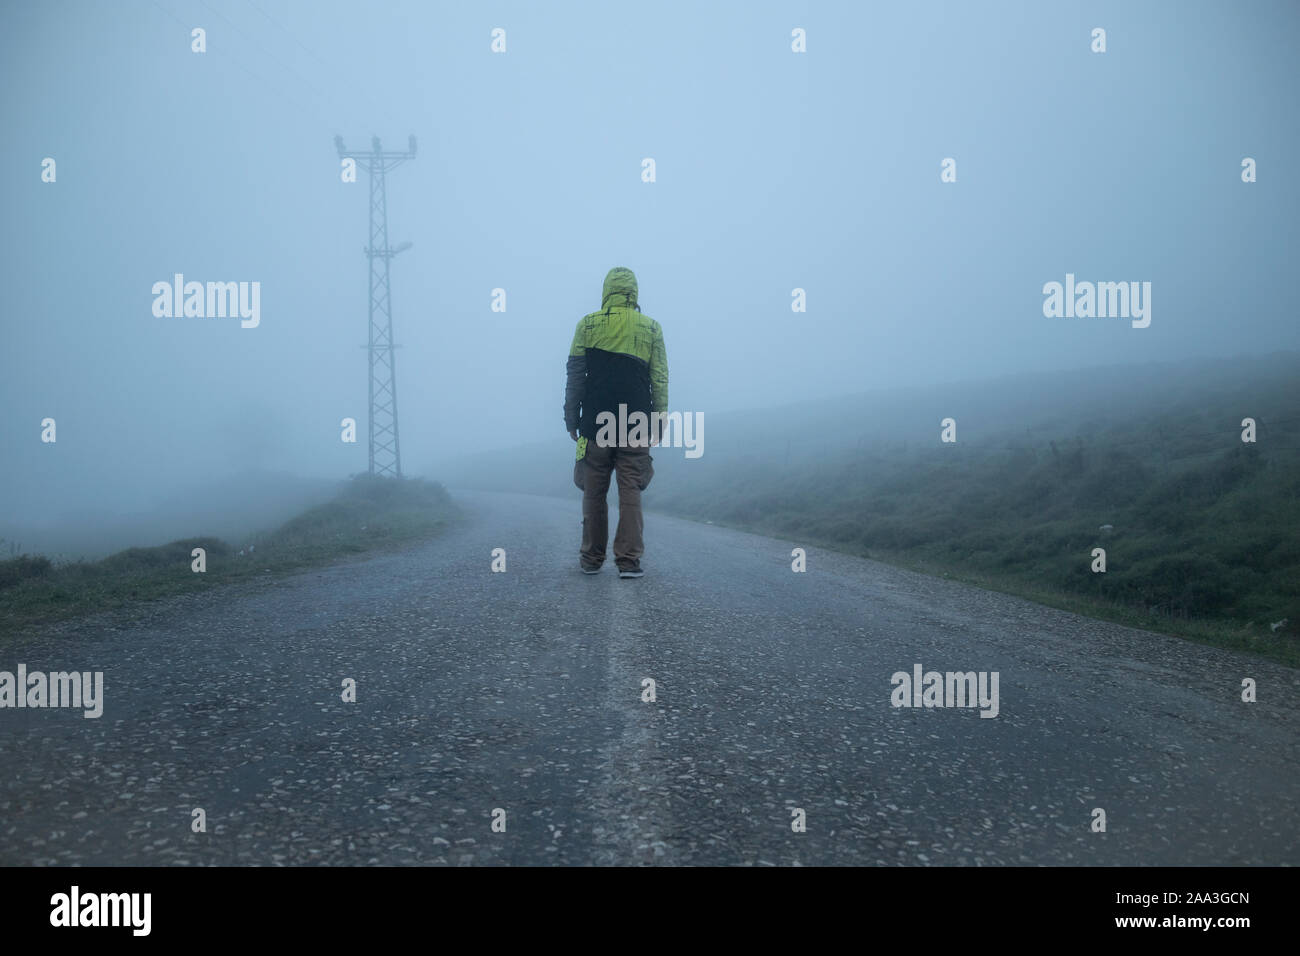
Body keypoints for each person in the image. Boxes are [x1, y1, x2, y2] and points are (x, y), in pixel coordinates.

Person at [563, 266, 668, 578]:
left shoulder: (588, 324)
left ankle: (591, 559)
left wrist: (571, 417)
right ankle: (629, 562)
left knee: (593, 491)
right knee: (630, 491)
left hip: (595, 423)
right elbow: (659, 379)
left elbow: (575, 376)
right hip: (636, 421)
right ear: (634, 293)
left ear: (606, 291)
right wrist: (660, 419)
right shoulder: (651, 328)